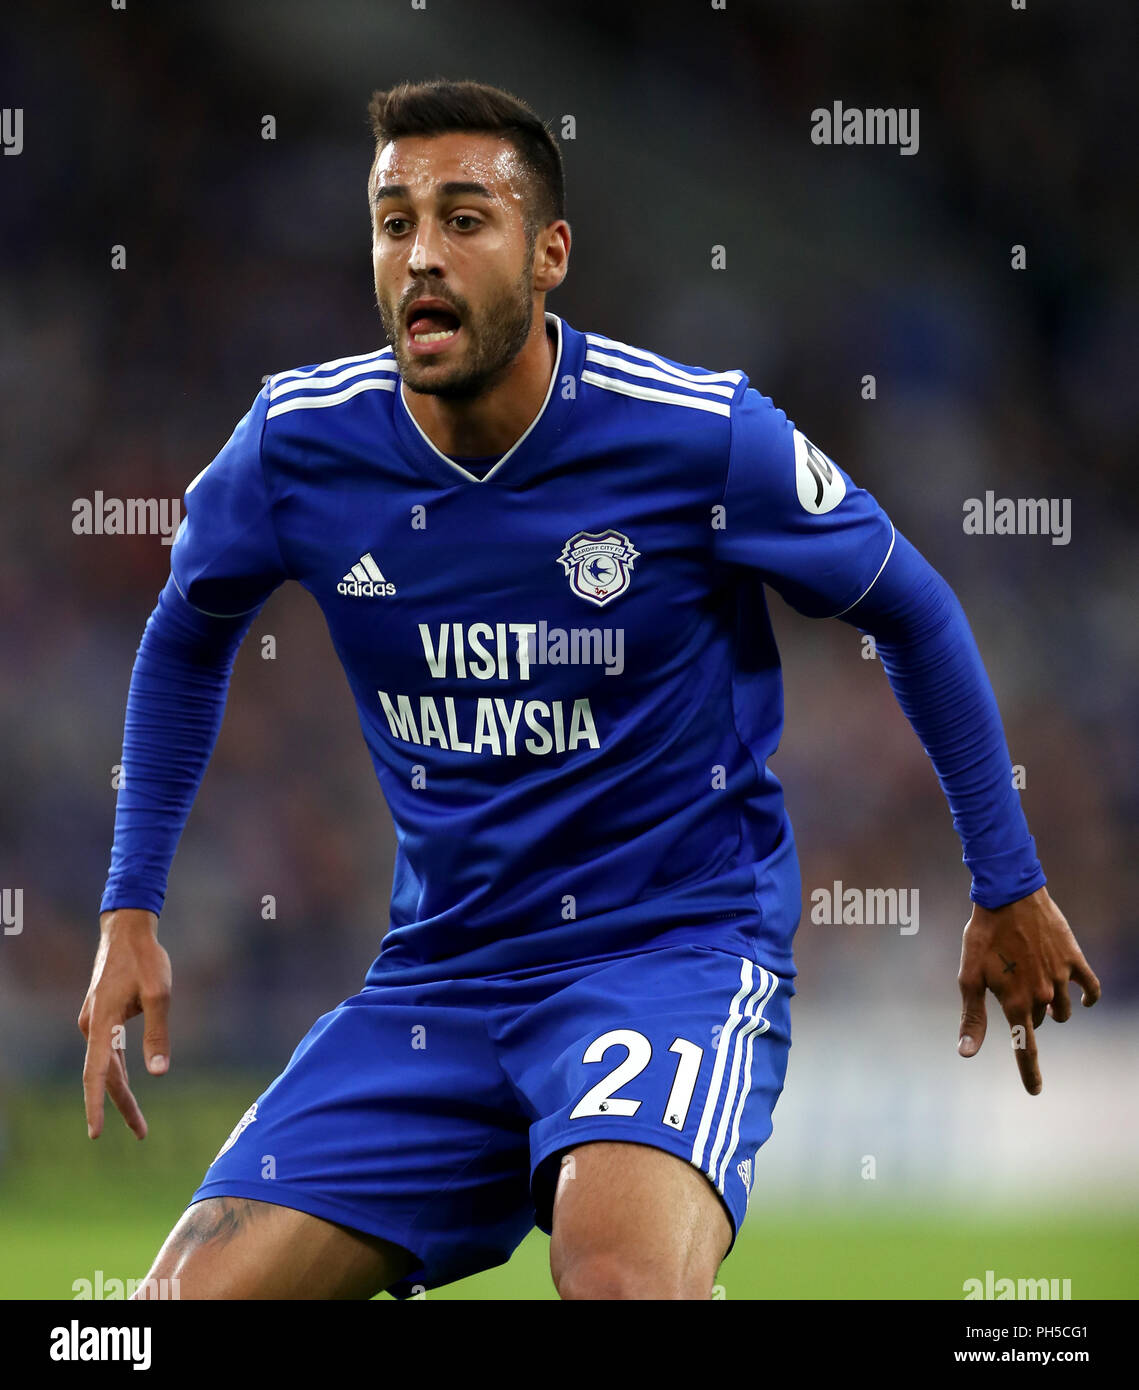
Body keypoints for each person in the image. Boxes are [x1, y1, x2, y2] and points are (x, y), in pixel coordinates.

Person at [81, 79, 1100, 1301]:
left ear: (548, 251)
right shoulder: (297, 445)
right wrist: (128, 907)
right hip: (438, 977)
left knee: (618, 1281)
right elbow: (187, 629)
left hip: (662, 952)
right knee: (159, 1319)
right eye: (391, 219)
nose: (419, 256)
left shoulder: (696, 437)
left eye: (464, 219)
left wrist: (1007, 879)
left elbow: (912, 608)